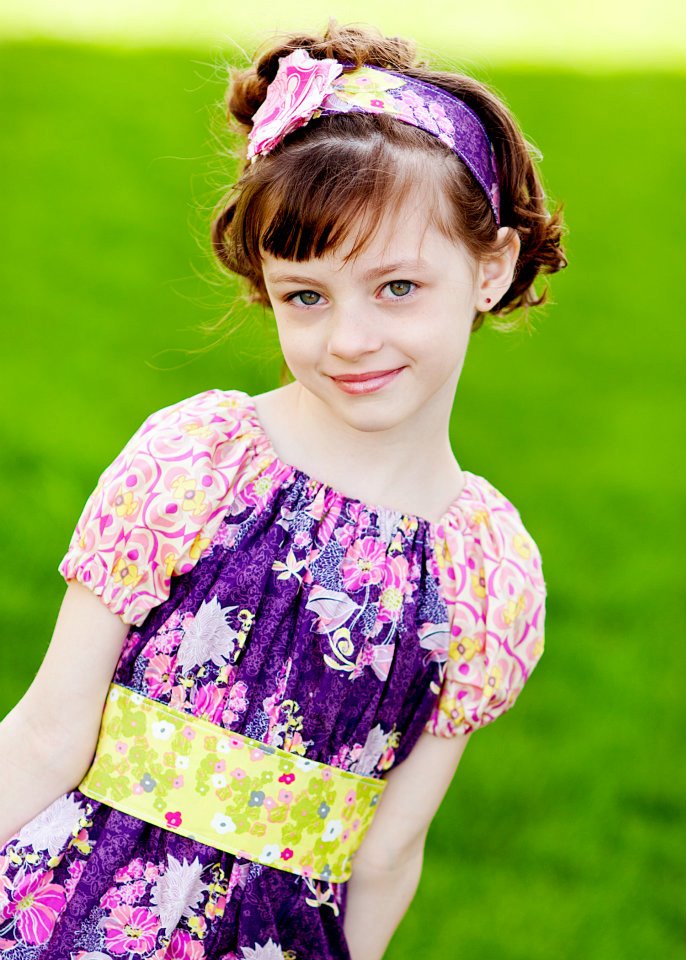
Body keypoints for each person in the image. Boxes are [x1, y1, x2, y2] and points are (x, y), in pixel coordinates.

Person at [0, 18, 567, 960]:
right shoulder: (203, 461)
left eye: (396, 287)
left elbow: (389, 853)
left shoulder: (487, 571)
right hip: (65, 914)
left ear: (491, 268)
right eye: (308, 295)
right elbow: (45, 733)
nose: (350, 340)